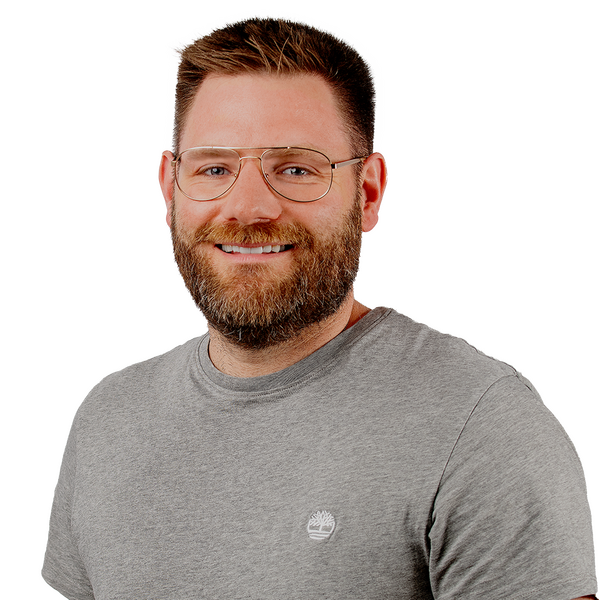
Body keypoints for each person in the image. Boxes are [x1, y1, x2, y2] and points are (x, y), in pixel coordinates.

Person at [39, 13, 598, 600]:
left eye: (296, 168)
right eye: (214, 168)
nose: (248, 207)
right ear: (168, 186)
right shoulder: (107, 417)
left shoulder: (482, 423)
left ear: (370, 191)